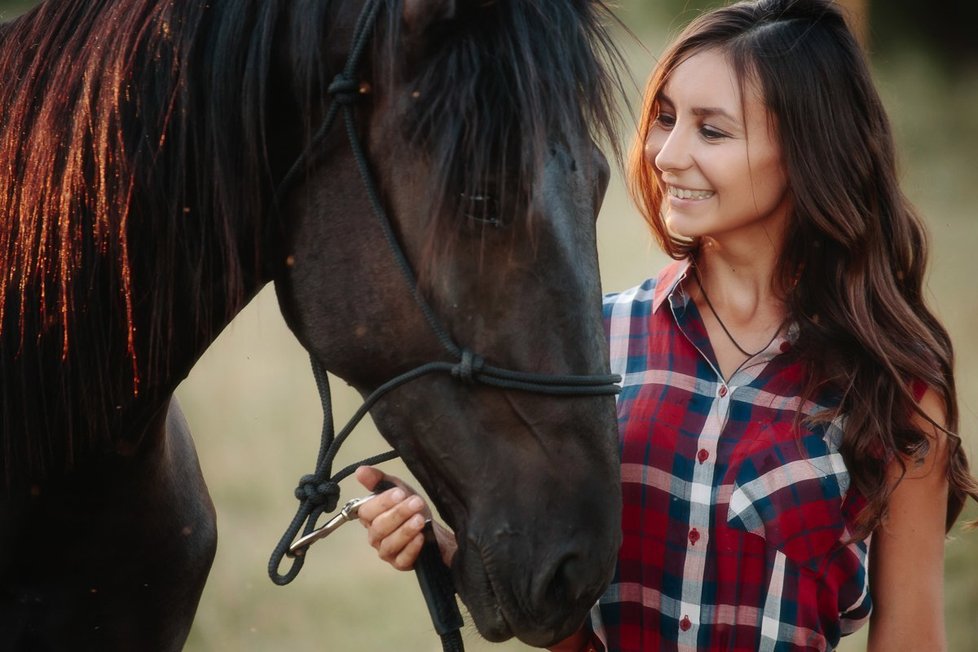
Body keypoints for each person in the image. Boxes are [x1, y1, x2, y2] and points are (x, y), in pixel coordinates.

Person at [353, 0, 978, 649]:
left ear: (806, 150)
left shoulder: (895, 388)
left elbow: (911, 638)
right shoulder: (595, 347)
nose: (666, 154)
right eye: (666, 118)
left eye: (712, 131)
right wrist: (454, 551)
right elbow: (564, 623)